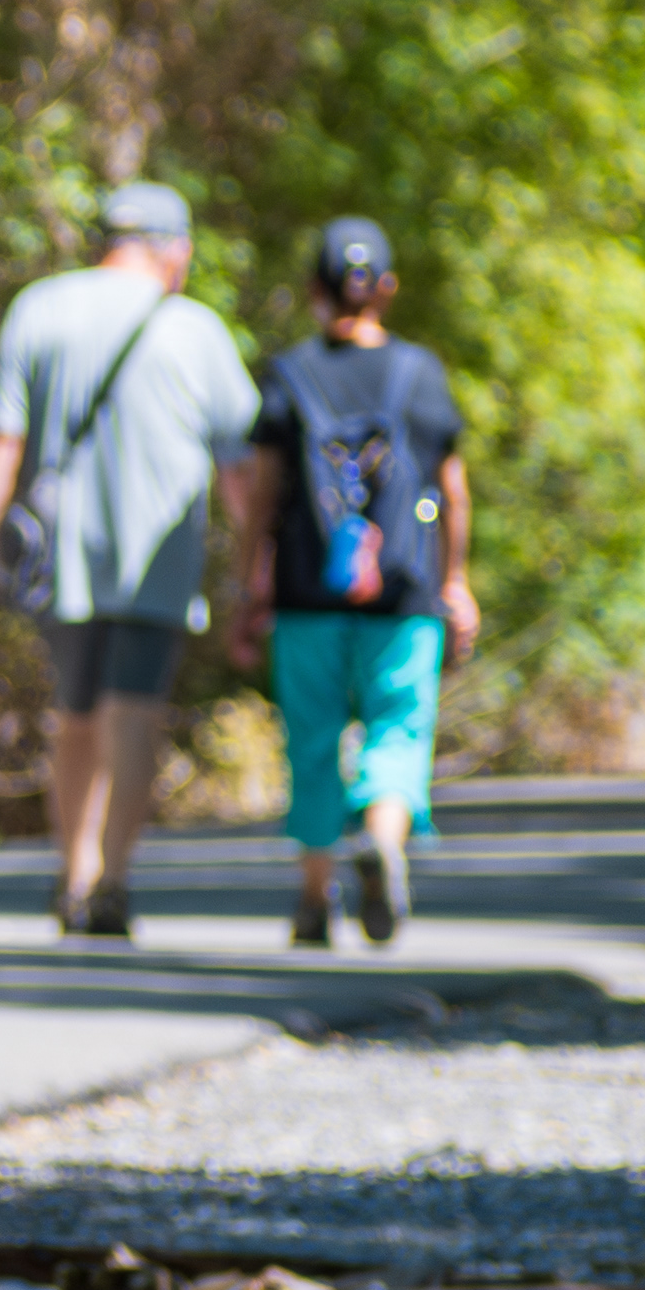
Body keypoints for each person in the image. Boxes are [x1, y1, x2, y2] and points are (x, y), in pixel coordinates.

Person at [0, 181, 260, 938]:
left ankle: (73, 871)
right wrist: (257, 564)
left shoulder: (40, 308)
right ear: (172, 249)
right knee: (135, 711)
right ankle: (113, 880)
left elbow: (2, 439)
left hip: (61, 556)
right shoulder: (197, 329)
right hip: (158, 555)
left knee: (75, 712)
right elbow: (240, 465)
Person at [226, 216, 475, 949]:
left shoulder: (290, 373)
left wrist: (251, 587)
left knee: (311, 737)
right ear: (387, 290)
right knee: (399, 725)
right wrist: (455, 581)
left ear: (312, 290)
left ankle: (312, 899)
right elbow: (452, 491)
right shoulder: (420, 373)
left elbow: (265, 494)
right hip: (404, 593)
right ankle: (384, 835)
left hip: (308, 592)